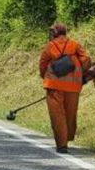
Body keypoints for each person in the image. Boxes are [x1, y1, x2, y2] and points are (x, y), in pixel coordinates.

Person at [38, 23, 91, 154]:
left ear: (54, 33)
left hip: (54, 86)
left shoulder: (49, 46)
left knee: (57, 115)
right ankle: (68, 137)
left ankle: (62, 145)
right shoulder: (75, 44)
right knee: (70, 114)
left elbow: (42, 64)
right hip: (73, 86)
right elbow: (86, 59)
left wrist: (45, 76)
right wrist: (79, 72)